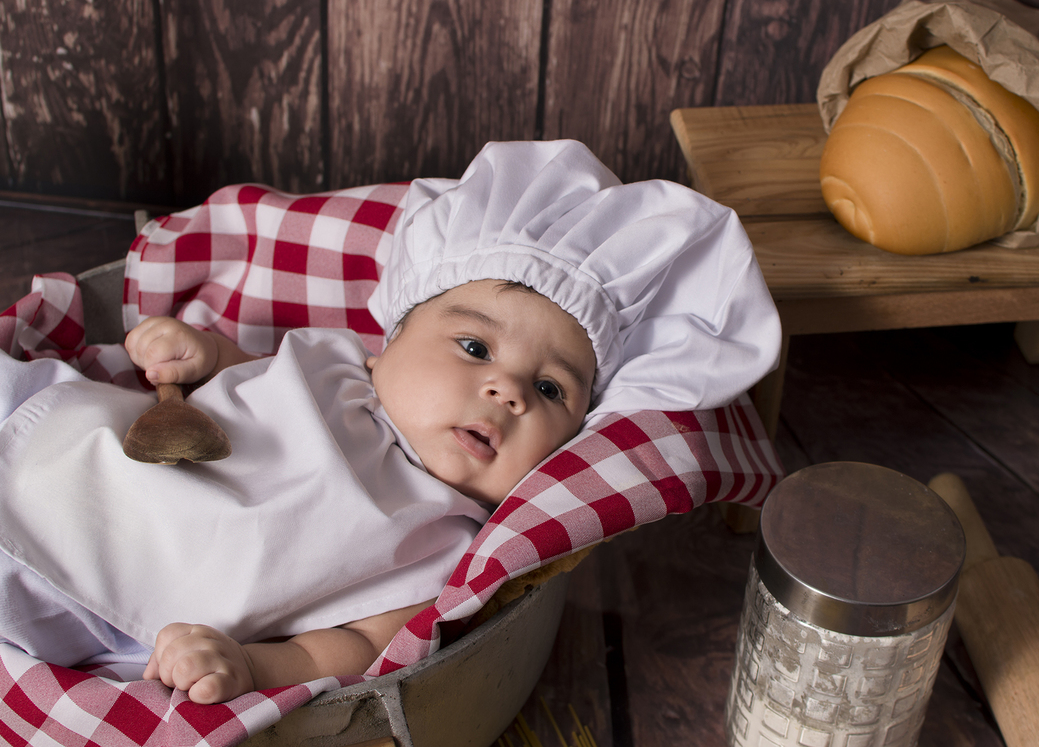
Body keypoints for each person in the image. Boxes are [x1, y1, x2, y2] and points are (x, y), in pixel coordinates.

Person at [0, 140, 781, 704]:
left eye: (551, 391)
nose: (506, 389)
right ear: (391, 340)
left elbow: (352, 648)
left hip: (95, 600)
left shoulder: (442, 545)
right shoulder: (339, 364)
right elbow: (249, 373)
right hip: (64, 443)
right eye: (473, 345)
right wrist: (199, 353)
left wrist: (248, 666)